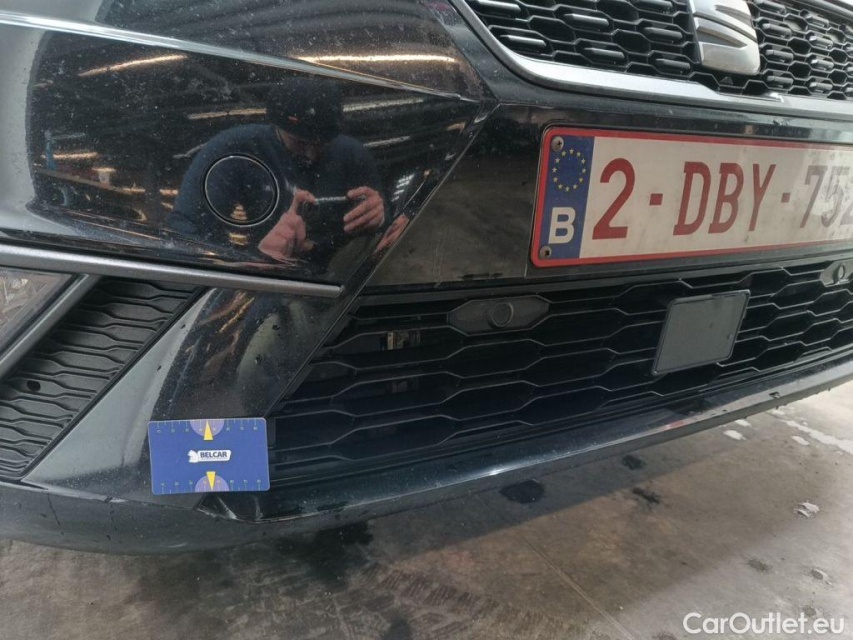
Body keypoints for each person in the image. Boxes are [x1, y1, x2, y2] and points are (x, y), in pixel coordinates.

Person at [173, 77, 385, 271]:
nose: (310, 155)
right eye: (299, 143)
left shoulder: (352, 155)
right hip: (251, 279)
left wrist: (379, 219)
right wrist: (254, 259)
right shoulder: (234, 149)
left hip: (333, 277)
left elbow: (386, 229)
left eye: (322, 144)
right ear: (276, 127)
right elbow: (185, 230)